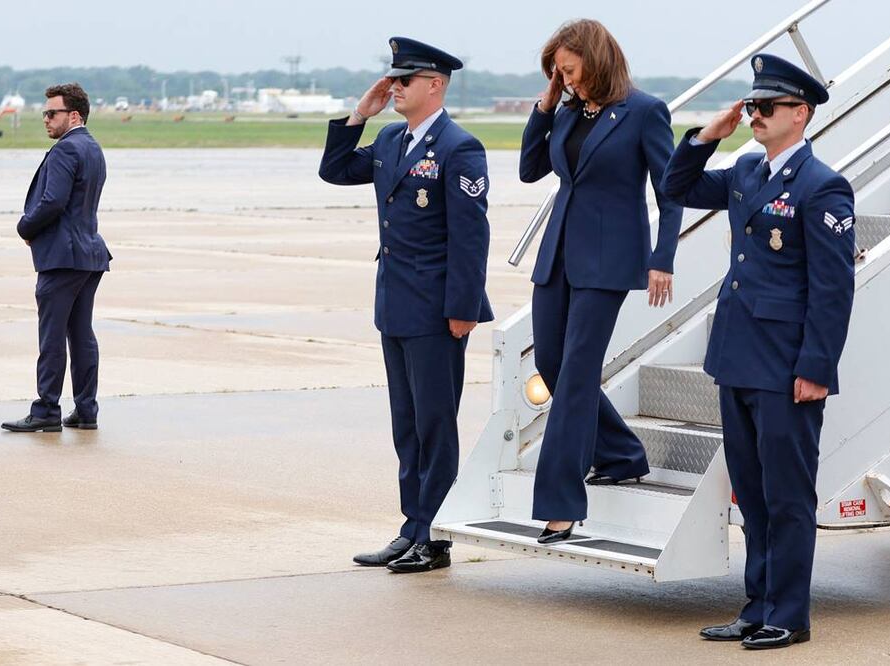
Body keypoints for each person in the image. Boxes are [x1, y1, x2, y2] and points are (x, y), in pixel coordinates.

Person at [661, 53, 855, 649]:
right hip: (738, 355)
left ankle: (788, 614)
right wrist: (705, 138)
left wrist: (816, 368)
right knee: (750, 492)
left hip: (786, 366)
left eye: (767, 106)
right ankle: (757, 606)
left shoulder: (823, 187)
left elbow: (832, 290)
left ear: (801, 113)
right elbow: (676, 186)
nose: (755, 115)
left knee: (787, 495)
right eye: (751, 105)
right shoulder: (746, 169)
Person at [318, 37, 492, 573]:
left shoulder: (460, 147)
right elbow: (335, 170)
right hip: (395, 303)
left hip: (437, 309)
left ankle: (434, 538)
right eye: (392, 79)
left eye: (405, 80)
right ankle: (412, 526)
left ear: (435, 85)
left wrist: (464, 308)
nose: (394, 87)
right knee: (406, 424)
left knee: (435, 424)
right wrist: (359, 115)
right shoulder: (391, 139)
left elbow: (471, 238)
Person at [518, 19, 683, 544]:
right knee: (552, 364)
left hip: (608, 261)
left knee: (577, 373)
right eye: (557, 74)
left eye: (569, 70)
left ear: (596, 59)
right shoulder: (566, 111)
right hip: (558, 255)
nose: (565, 80)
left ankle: (561, 503)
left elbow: (670, 190)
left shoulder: (644, 112)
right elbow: (529, 170)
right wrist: (545, 107)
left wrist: (662, 257)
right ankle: (622, 453)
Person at [2, 83, 112, 433]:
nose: (46, 119)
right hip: (89, 253)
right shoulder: (92, 147)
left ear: (74, 115)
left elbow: (53, 201)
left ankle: (46, 410)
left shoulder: (66, 150)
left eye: (52, 113)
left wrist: (25, 227)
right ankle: (86, 409)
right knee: (81, 334)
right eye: (44, 113)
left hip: (63, 257)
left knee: (52, 336)